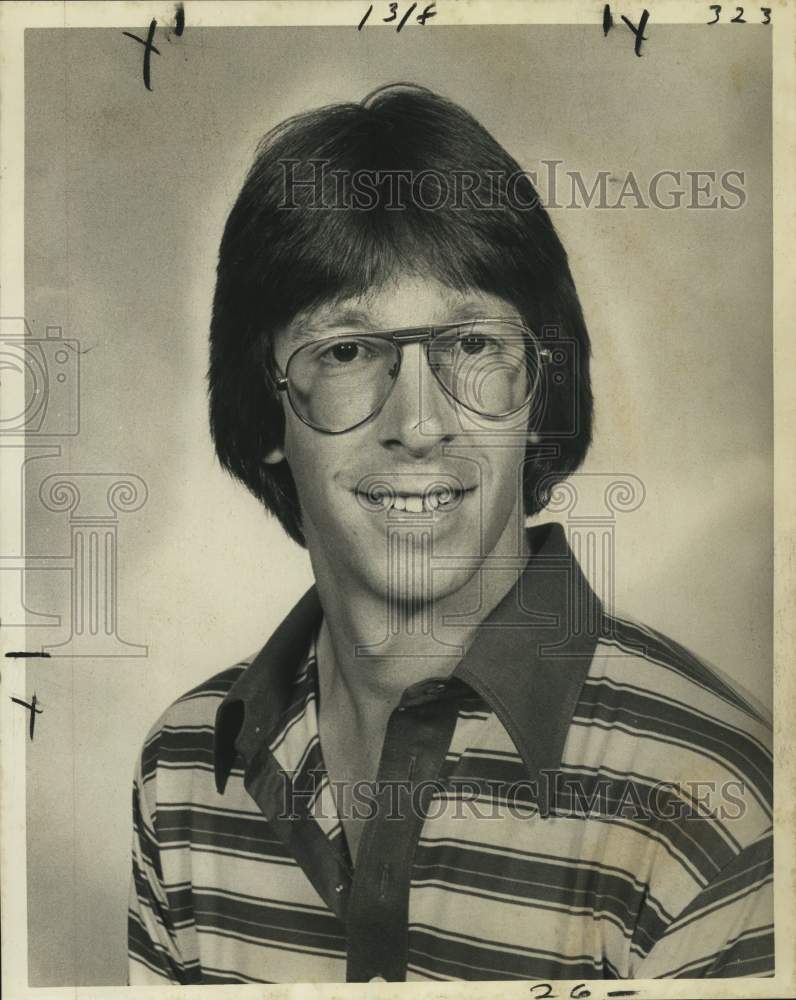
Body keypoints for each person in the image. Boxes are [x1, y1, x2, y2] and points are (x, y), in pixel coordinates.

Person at [128, 84, 773, 984]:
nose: (420, 423)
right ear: (264, 410)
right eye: (347, 351)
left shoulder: (715, 804)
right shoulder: (185, 770)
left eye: (471, 344)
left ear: (539, 387)